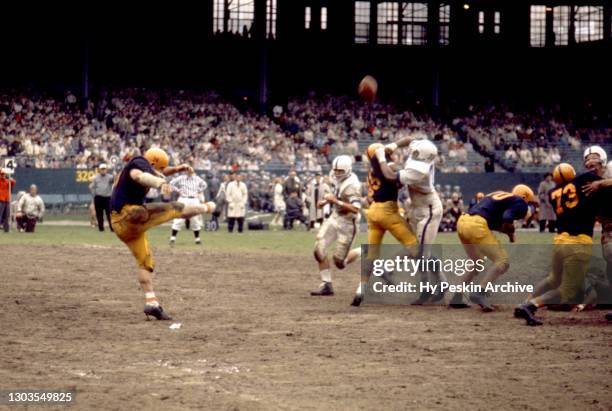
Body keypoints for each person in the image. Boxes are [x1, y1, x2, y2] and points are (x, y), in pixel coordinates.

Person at [110, 148, 215, 320]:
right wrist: (160, 184)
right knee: (176, 208)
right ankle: (206, 207)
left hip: (124, 229)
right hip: (128, 215)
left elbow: (159, 171)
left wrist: (178, 168)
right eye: (159, 169)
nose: (161, 174)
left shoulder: (146, 166)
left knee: (146, 263)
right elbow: (139, 175)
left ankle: (152, 304)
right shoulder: (138, 163)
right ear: (151, 164)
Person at [515, 160, 611, 326]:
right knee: (567, 291)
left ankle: (524, 302)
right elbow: (594, 189)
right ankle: (530, 305)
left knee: (553, 279)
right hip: (578, 243)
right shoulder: (585, 180)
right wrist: (600, 183)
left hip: (560, 242)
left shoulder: (553, 193)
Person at [351, 142, 418, 307]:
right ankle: (387, 267)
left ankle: (361, 289)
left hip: (373, 212)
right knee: (415, 247)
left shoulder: (372, 170)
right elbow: (396, 177)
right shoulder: (388, 165)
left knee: (372, 254)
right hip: (388, 211)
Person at [380, 139, 446, 304]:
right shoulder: (420, 150)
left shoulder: (419, 171)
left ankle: (424, 290)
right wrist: (394, 145)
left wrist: (381, 158)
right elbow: (410, 140)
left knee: (420, 253)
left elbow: (389, 176)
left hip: (428, 211)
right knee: (419, 250)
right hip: (417, 208)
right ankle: (442, 284)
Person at [452, 184, 534, 311]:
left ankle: (457, 296)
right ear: (524, 197)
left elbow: (494, 223)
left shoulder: (498, 195)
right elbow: (507, 218)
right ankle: (480, 292)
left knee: (477, 262)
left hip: (463, 222)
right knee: (503, 261)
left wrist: (508, 233)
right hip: (476, 225)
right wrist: (511, 231)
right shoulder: (520, 202)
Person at [310, 156, 362, 296]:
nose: (337, 173)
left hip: (348, 222)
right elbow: (336, 192)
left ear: (348, 170)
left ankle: (362, 251)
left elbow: (356, 209)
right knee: (318, 249)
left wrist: (335, 201)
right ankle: (326, 284)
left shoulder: (353, 185)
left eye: (341, 171)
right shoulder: (333, 175)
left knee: (340, 262)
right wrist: (326, 201)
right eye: (336, 170)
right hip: (334, 217)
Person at [168, 168, 208, 245]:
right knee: (179, 217)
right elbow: (171, 183)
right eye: (187, 170)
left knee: (195, 219)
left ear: (193, 171)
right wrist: (178, 190)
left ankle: (197, 239)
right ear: (185, 171)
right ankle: (173, 238)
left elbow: (205, 185)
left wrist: (198, 190)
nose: (189, 171)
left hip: (194, 199)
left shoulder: (197, 178)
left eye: (190, 170)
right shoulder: (181, 177)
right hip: (183, 199)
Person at [89, 163, 114, 232]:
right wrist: (93, 192)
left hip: (107, 198)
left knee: (109, 214)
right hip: (98, 198)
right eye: (102, 169)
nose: (103, 170)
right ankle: (101, 228)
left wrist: (115, 175)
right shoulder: (96, 177)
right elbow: (92, 186)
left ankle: (112, 228)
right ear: (99, 170)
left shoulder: (110, 177)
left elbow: (113, 181)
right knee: (99, 214)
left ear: (106, 170)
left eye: (104, 169)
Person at [0, 168, 16, 233]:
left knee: (7, 215)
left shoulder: (7, 181)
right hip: (1, 199)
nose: (3, 175)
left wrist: (9, 177)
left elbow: (13, 182)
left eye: (4, 174)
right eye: (2, 174)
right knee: (0, 214)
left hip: (7, 199)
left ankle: (6, 229)